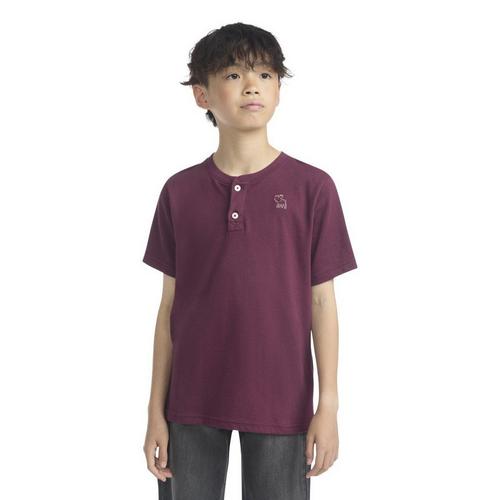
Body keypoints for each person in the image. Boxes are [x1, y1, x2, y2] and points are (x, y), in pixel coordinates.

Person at [142, 22, 358, 500]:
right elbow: (168, 308)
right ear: (202, 94)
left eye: (265, 73)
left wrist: (328, 406)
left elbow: (322, 304)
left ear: (279, 88)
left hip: (283, 401)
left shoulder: (313, 188)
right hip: (190, 402)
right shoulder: (179, 192)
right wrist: (155, 410)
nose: (252, 85)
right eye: (234, 74)